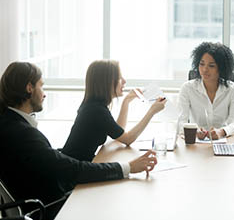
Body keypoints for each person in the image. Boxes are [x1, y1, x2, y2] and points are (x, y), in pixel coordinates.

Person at [0, 62, 157, 219]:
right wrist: (128, 167)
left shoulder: (10, 124)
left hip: (44, 197)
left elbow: (51, 161)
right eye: (41, 86)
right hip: (52, 206)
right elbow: (71, 170)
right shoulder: (22, 134)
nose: (45, 94)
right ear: (29, 88)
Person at [61, 60, 166, 162]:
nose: (124, 81)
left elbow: (119, 133)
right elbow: (128, 139)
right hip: (73, 170)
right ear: (107, 82)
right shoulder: (96, 111)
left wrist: (127, 101)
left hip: (75, 164)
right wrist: (151, 111)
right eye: (119, 78)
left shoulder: (94, 105)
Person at [178, 42, 234, 140]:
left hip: (224, 142)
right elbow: (180, 122)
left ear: (221, 68)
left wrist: (221, 132)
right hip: (196, 144)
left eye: (211, 66)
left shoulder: (233, 89)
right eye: (201, 64)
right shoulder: (187, 88)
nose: (204, 69)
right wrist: (194, 131)